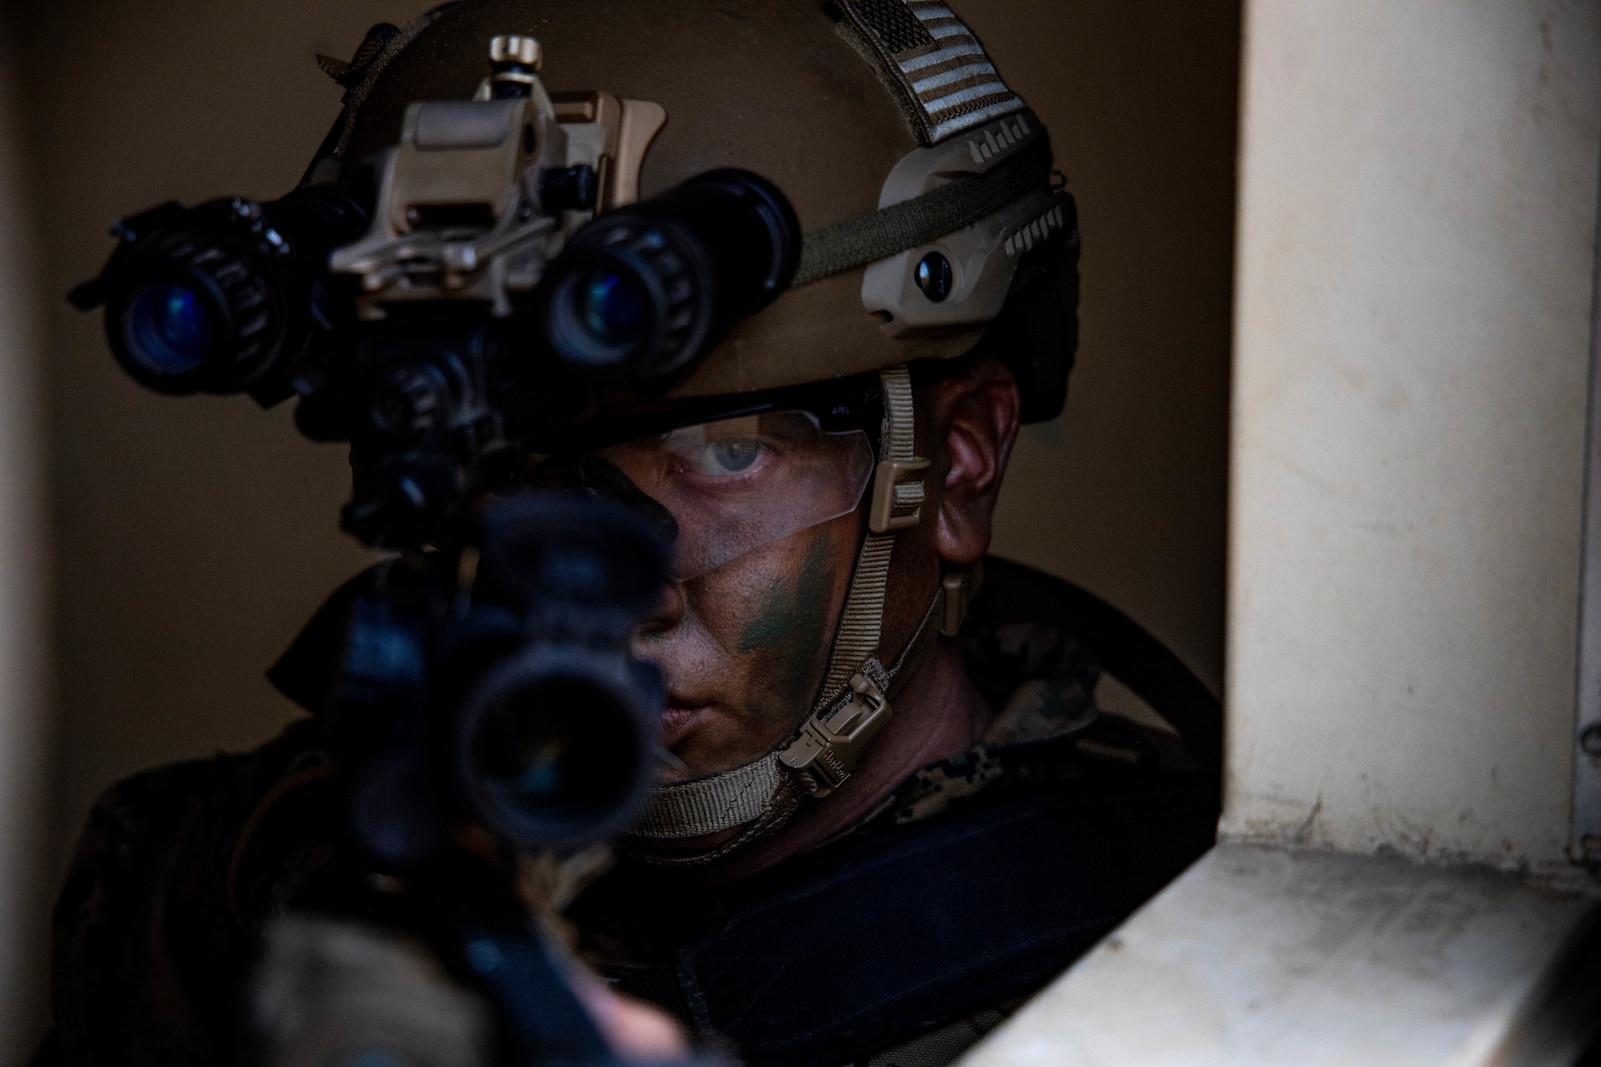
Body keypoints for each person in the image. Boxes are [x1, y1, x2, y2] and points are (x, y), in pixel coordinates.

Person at [39, 2, 1220, 1065]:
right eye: (503, 462)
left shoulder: (1195, 946)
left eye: (718, 454)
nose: (606, 583)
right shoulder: (243, 873)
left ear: (956, 459)